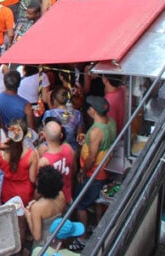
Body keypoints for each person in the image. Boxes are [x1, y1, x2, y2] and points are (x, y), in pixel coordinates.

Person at [76, 96, 116, 230]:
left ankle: (82, 237)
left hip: (94, 173)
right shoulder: (111, 122)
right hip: (105, 169)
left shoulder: (96, 131)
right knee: (99, 199)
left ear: (93, 111)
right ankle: (99, 225)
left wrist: (82, 171)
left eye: (89, 107)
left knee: (81, 204)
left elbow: (92, 157)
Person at [25, 166, 67, 249]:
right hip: (57, 237)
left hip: (44, 244)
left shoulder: (37, 208)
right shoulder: (61, 195)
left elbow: (37, 236)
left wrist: (28, 215)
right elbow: (63, 213)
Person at [38, 120, 76, 202]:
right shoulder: (68, 148)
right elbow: (74, 169)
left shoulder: (44, 161)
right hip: (68, 196)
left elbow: (39, 186)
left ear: (44, 135)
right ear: (61, 135)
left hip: (52, 203)